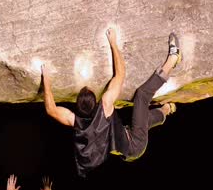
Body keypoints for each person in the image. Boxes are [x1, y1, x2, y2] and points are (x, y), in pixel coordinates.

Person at [42, 27, 181, 177]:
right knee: (141, 96)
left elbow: (51, 110)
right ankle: (173, 59)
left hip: (125, 149)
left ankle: (167, 109)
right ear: (95, 101)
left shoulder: (75, 121)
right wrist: (113, 43)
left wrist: (46, 80)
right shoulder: (105, 106)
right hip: (136, 144)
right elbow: (120, 74)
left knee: (143, 119)